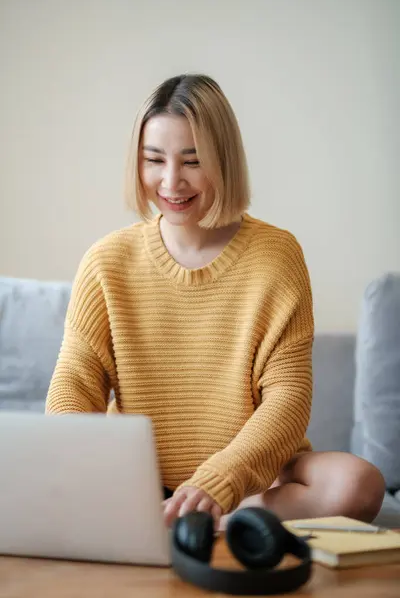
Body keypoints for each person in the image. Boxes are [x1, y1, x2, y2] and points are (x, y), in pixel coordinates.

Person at [46, 74, 385, 530]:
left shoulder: (276, 255)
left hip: (249, 483)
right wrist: (83, 462)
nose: (170, 181)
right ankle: (174, 518)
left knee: (357, 483)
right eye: (154, 160)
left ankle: (203, 520)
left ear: (223, 159)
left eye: (192, 160)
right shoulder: (106, 261)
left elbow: (288, 398)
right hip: (135, 480)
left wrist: (219, 481)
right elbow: (74, 384)